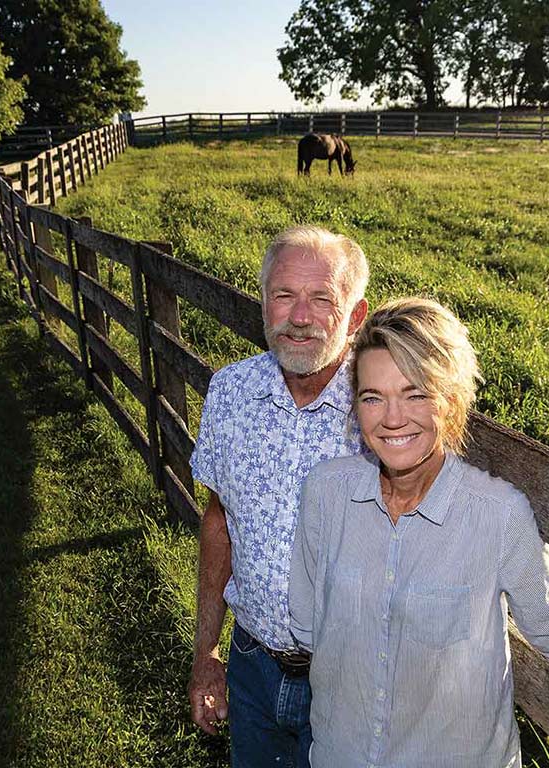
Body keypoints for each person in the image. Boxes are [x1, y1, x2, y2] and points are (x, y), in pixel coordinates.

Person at [289, 297, 549, 768]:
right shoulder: (325, 493)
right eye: (372, 396)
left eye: (416, 393)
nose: (392, 417)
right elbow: (307, 625)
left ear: (452, 399)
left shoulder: (497, 516)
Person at [188, 225, 370, 767]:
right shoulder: (231, 391)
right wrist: (206, 653)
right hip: (251, 667)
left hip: (349, 686)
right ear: (263, 304)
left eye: (322, 299)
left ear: (355, 317)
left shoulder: (384, 414)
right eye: (284, 295)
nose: (299, 317)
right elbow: (219, 521)